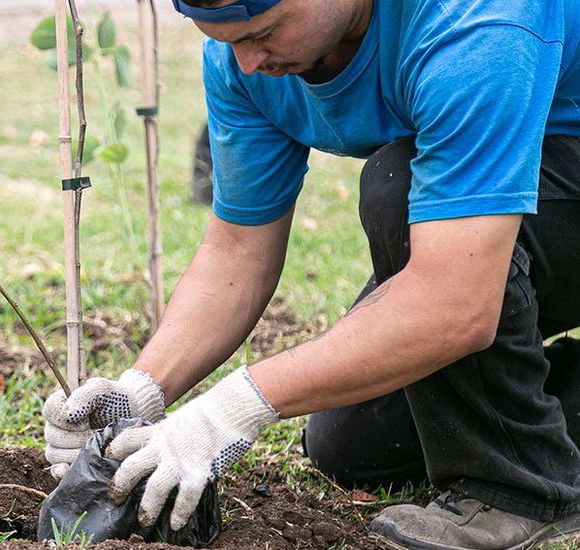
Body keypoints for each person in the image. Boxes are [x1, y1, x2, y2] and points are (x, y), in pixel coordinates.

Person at [43, 0, 580, 548]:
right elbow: (238, 251)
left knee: (396, 189)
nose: (247, 61)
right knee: (354, 443)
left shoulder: (477, 19)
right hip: (523, 219)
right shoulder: (243, 60)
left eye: (264, 33)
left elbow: (455, 303)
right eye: (229, 41)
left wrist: (232, 409)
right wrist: (142, 389)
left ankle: (519, 491)